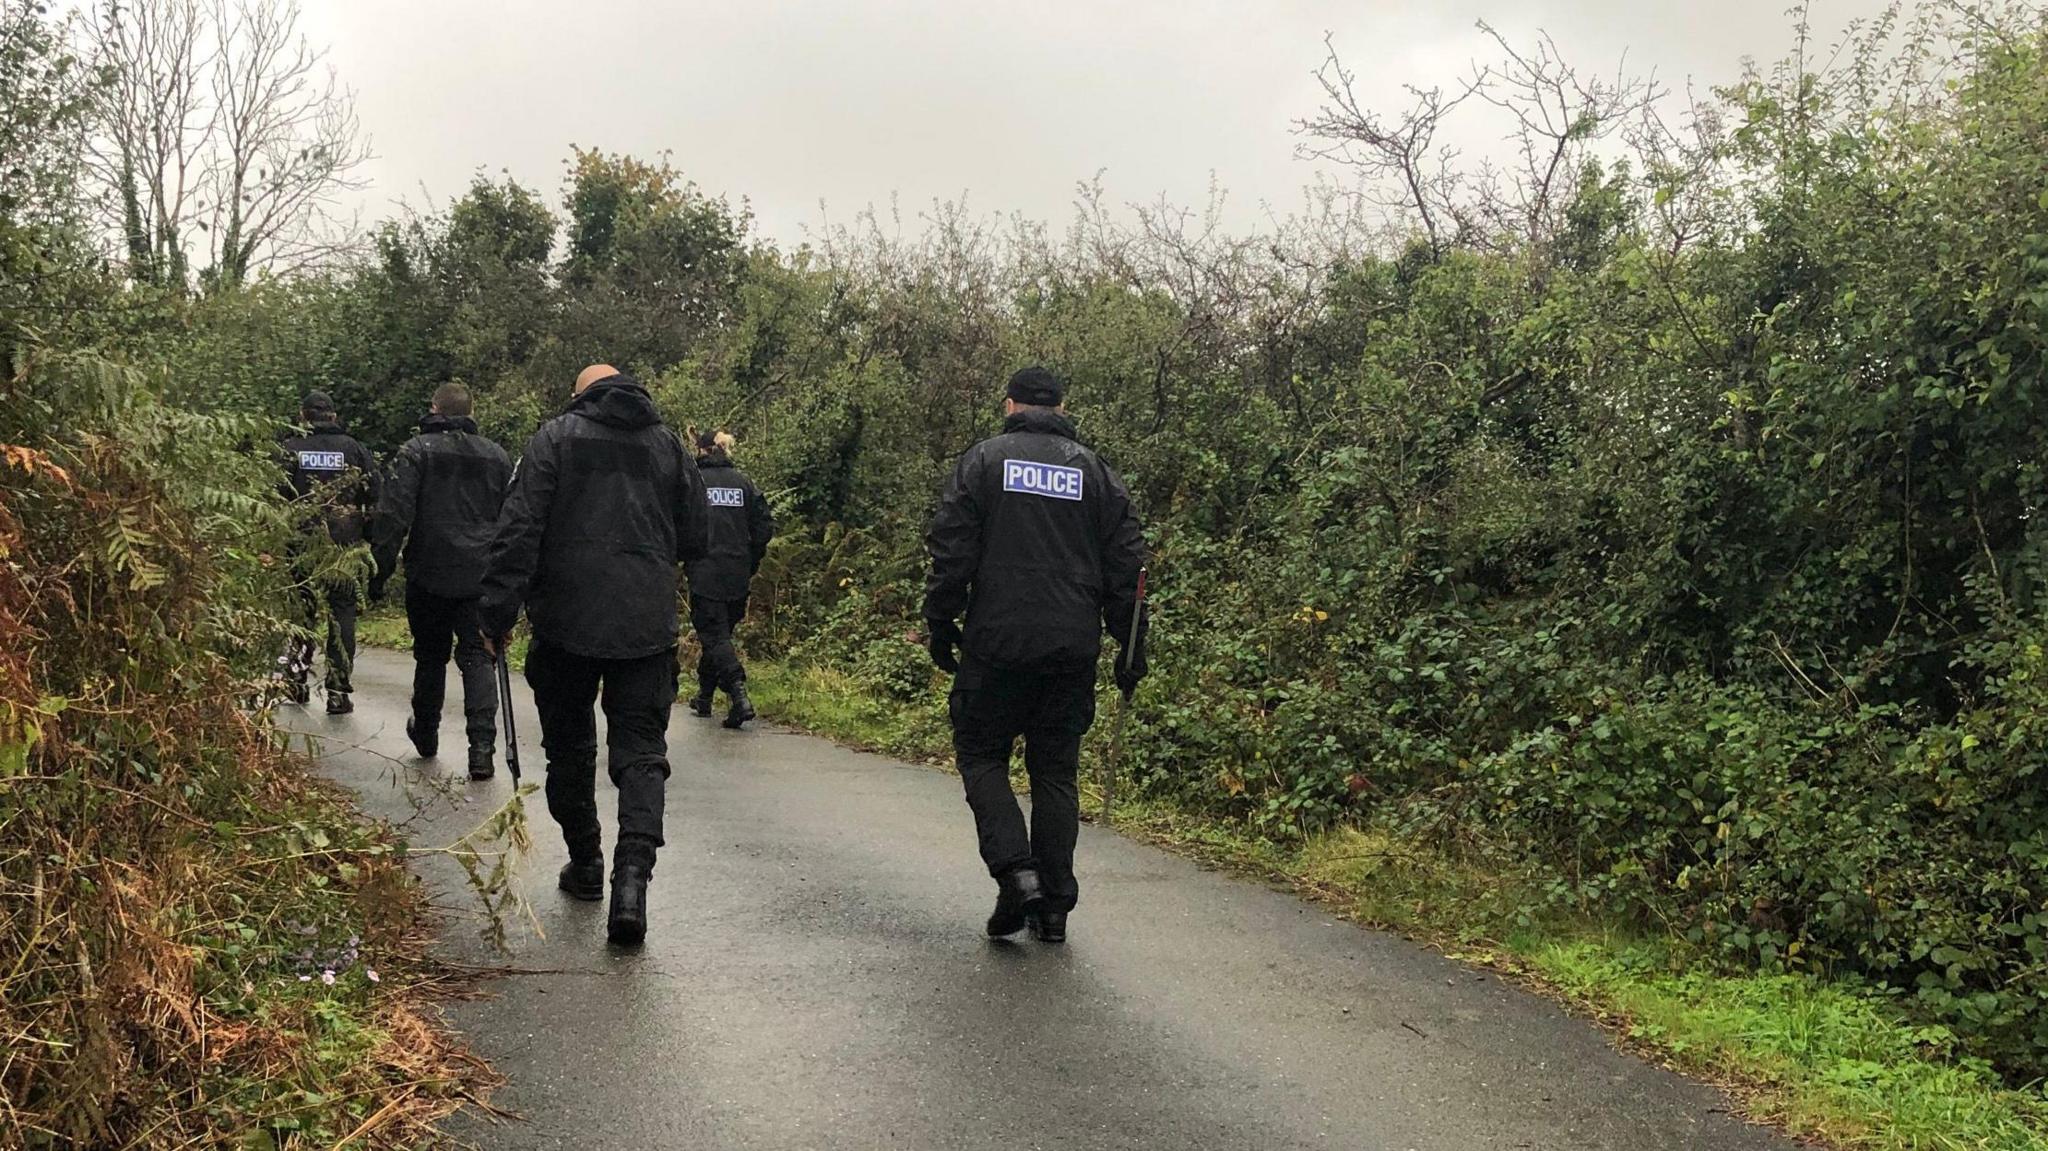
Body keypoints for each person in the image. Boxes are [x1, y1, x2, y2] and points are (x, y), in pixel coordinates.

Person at [479, 364, 710, 947]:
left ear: (581, 396)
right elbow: (697, 536)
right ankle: (632, 882)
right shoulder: (669, 448)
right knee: (641, 755)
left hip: (566, 623)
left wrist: (497, 613)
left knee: (570, 750)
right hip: (645, 626)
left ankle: (586, 865)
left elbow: (519, 530)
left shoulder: (555, 439)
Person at [923, 365, 1148, 943]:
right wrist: (1132, 644)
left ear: (1010, 405)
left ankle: (1017, 874)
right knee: (1055, 773)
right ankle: (1054, 908)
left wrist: (940, 620)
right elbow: (1129, 567)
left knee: (980, 755)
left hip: (995, 642)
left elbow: (951, 547)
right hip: (1071, 647)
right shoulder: (1098, 474)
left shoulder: (983, 461)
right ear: (1062, 407)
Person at [370, 383, 514, 780]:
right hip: (480, 574)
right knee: (477, 655)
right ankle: (482, 749)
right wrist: (510, 582)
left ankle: (427, 734)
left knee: (430, 656)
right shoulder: (497, 456)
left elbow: (393, 515)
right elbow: (512, 521)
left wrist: (378, 574)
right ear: (472, 411)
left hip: (429, 571)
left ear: (434, 408)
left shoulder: (417, 451)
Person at [279, 391, 378, 715]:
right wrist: (368, 538)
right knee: (342, 615)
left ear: (302, 416)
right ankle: (337, 691)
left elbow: (276, 498)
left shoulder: (290, 449)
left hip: (300, 545)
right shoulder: (354, 450)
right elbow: (375, 496)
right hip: (343, 547)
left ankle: (296, 681)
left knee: (300, 613)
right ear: (333, 417)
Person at [684, 429, 776, 729]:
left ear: (703, 451)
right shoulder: (744, 483)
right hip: (737, 574)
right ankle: (705, 696)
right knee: (719, 636)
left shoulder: (694, 483)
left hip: (705, 572)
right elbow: (764, 526)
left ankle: (739, 697)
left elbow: (677, 522)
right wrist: (751, 559)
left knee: (714, 636)